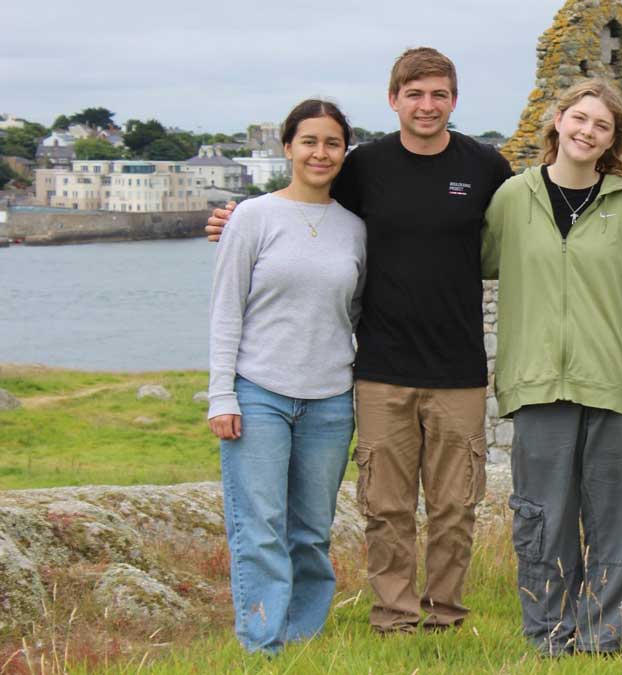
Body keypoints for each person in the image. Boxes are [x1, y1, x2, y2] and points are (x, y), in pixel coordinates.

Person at [206, 48, 513, 635]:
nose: (427, 105)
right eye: (415, 94)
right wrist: (234, 220)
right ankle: (394, 619)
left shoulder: (486, 167)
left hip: (460, 368)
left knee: (454, 508)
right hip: (379, 369)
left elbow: (526, 225)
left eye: (439, 94)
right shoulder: (363, 166)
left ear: (454, 99)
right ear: (394, 99)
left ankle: (445, 617)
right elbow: (301, 211)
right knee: (386, 507)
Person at [481, 79, 622, 656]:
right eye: (579, 118)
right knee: (542, 519)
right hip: (534, 384)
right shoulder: (511, 197)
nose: (587, 131)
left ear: (612, 140)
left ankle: (606, 638)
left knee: (615, 518)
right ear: (557, 121)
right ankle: (551, 636)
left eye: (601, 125)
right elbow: (463, 256)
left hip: (611, 383)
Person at [207, 99, 366, 653]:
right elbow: (227, 310)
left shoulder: (354, 228)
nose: (320, 153)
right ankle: (261, 642)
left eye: (332, 143)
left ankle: (302, 637)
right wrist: (221, 395)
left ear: (344, 152)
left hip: (329, 400)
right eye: (309, 142)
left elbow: (358, 312)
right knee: (260, 528)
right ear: (288, 148)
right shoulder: (252, 217)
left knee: (311, 534)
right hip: (259, 393)